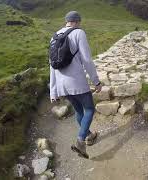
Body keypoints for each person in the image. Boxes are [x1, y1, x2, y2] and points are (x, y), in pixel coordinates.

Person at [49, 11, 102, 158]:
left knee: (79, 112)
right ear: (77, 21)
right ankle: (80, 142)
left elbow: (52, 66)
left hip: (62, 85)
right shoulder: (79, 33)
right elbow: (87, 59)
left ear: (66, 21)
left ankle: (89, 135)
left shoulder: (54, 36)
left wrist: (53, 92)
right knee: (90, 110)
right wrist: (96, 81)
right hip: (76, 82)